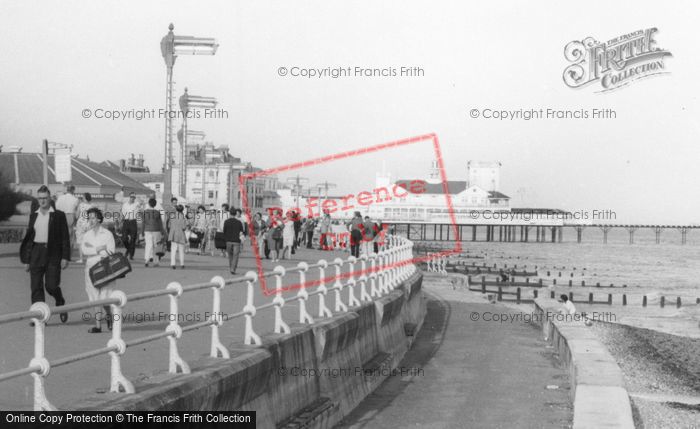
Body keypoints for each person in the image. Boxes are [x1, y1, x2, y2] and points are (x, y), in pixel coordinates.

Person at [19, 185, 70, 323]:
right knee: (36, 287)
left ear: (50, 198)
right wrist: (27, 260)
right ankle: (39, 316)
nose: (42, 201)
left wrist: (65, 257)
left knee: (51, 286)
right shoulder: (33, 215)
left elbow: (65, 237)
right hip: (36, 253)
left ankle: (60, 301)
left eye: (45, 198)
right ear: (37, 199)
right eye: (40, 198)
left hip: (53, 254)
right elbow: (29, 239)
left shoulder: (58, 215)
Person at [80, 208, 116, 333]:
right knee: (95, 297)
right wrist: (98, 248)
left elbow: (111, 250)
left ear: (99, 219)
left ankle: (109, 316)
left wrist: (99, 252)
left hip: (104, 267)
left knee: (105, 296)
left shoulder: (107, 234)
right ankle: (98, 326)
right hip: (90, 268)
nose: (91, 220)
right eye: (89, 218)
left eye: (94, 217)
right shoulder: (87, 235)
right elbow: (84, 251)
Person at [55, 184, 80, 259]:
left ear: (67, 190)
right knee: (70, 238)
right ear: (73, 190)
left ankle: (59, 254)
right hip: (70, 216)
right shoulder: (75, 199)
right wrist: (76, 219)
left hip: (60, 216)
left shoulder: (60, 198)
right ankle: (68, 255)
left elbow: (56, 207)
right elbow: (77, 212)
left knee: (60, 236)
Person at [223, 208, 245, 274]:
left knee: (230, 255)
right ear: (235, 214)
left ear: (229, 214)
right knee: (236, 255)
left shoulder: (226, 221)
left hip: (228, 241)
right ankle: (233, 269)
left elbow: (224, 231)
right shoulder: (239, 222)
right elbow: (242, 231)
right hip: (236, 241)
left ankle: (231, 267)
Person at [74, 193, 94, 263]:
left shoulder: (81, 205)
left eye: (83, 197)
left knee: (80, 242)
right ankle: (89, 258)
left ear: (85, 198)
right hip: (88, 224)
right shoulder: (92, 206)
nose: (82, 198)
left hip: (80, 224)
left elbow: (76, 216)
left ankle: (81, 258)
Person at [120, 192, 140, 260]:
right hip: (126, 222)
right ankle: (128, 249)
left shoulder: (137, 204)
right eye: (131, 197)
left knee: (133, 239)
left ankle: (131, 255)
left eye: (134, 197)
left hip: (133, 222)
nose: (132, 198)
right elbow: (122, 213)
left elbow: (141, 208)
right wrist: (120, 222)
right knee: (124, 239)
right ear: (129, 197)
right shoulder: (125, 204)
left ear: (135, 198)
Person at [168, 205, 187, 269]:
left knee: (173, 250)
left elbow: (169, 225)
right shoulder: (183, 217)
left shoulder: (172, 216)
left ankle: (173, 264)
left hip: (173, 234)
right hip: (181, 234)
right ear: (182, 210)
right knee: (181, 250)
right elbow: (184, 227)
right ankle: (182, 264)